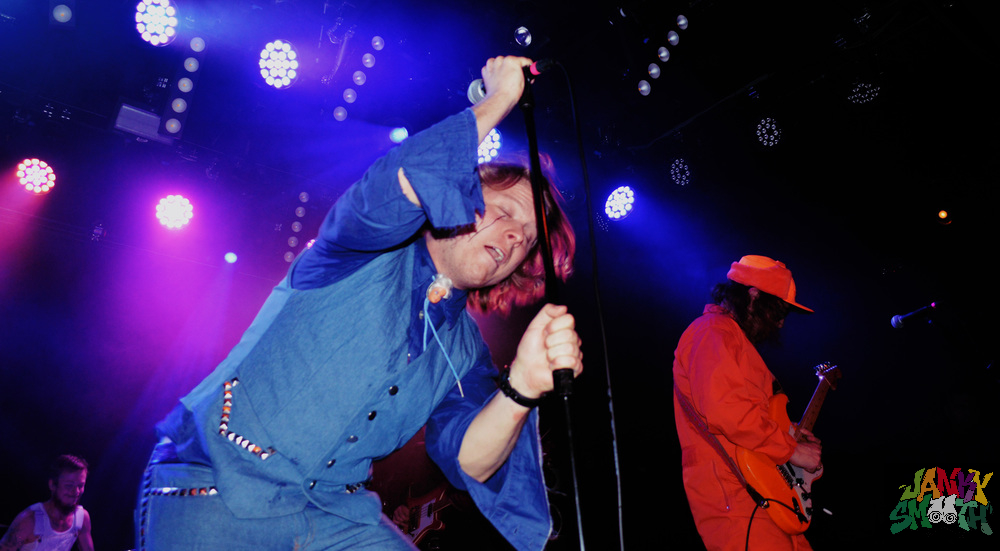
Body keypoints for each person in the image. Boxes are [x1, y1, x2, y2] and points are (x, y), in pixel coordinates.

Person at [135, 55, 582, 551]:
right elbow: (404, 181)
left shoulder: (465, 352)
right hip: (218, 488)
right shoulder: (365, 246)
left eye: (524, 239)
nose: (515, 236)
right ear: (460, 192)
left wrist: (520, 388)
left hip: (335, 514)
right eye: (504, 211)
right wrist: (501, 100)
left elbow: (470, 461)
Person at [672, 255, 822, 551]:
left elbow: (753, 419)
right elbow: (727, 411)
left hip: (767, 500)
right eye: (777, 310)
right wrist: (792, 450)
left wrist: (796, 447)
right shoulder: (712, 331)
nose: (780, 323)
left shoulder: (733, 341)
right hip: (740, 500)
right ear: (753, 296)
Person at [0, 455, 94, 551]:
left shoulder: (82, 518)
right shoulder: (29, 519)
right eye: (69, 486)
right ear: (52, 485)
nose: (76, 491)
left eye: (81, 485)